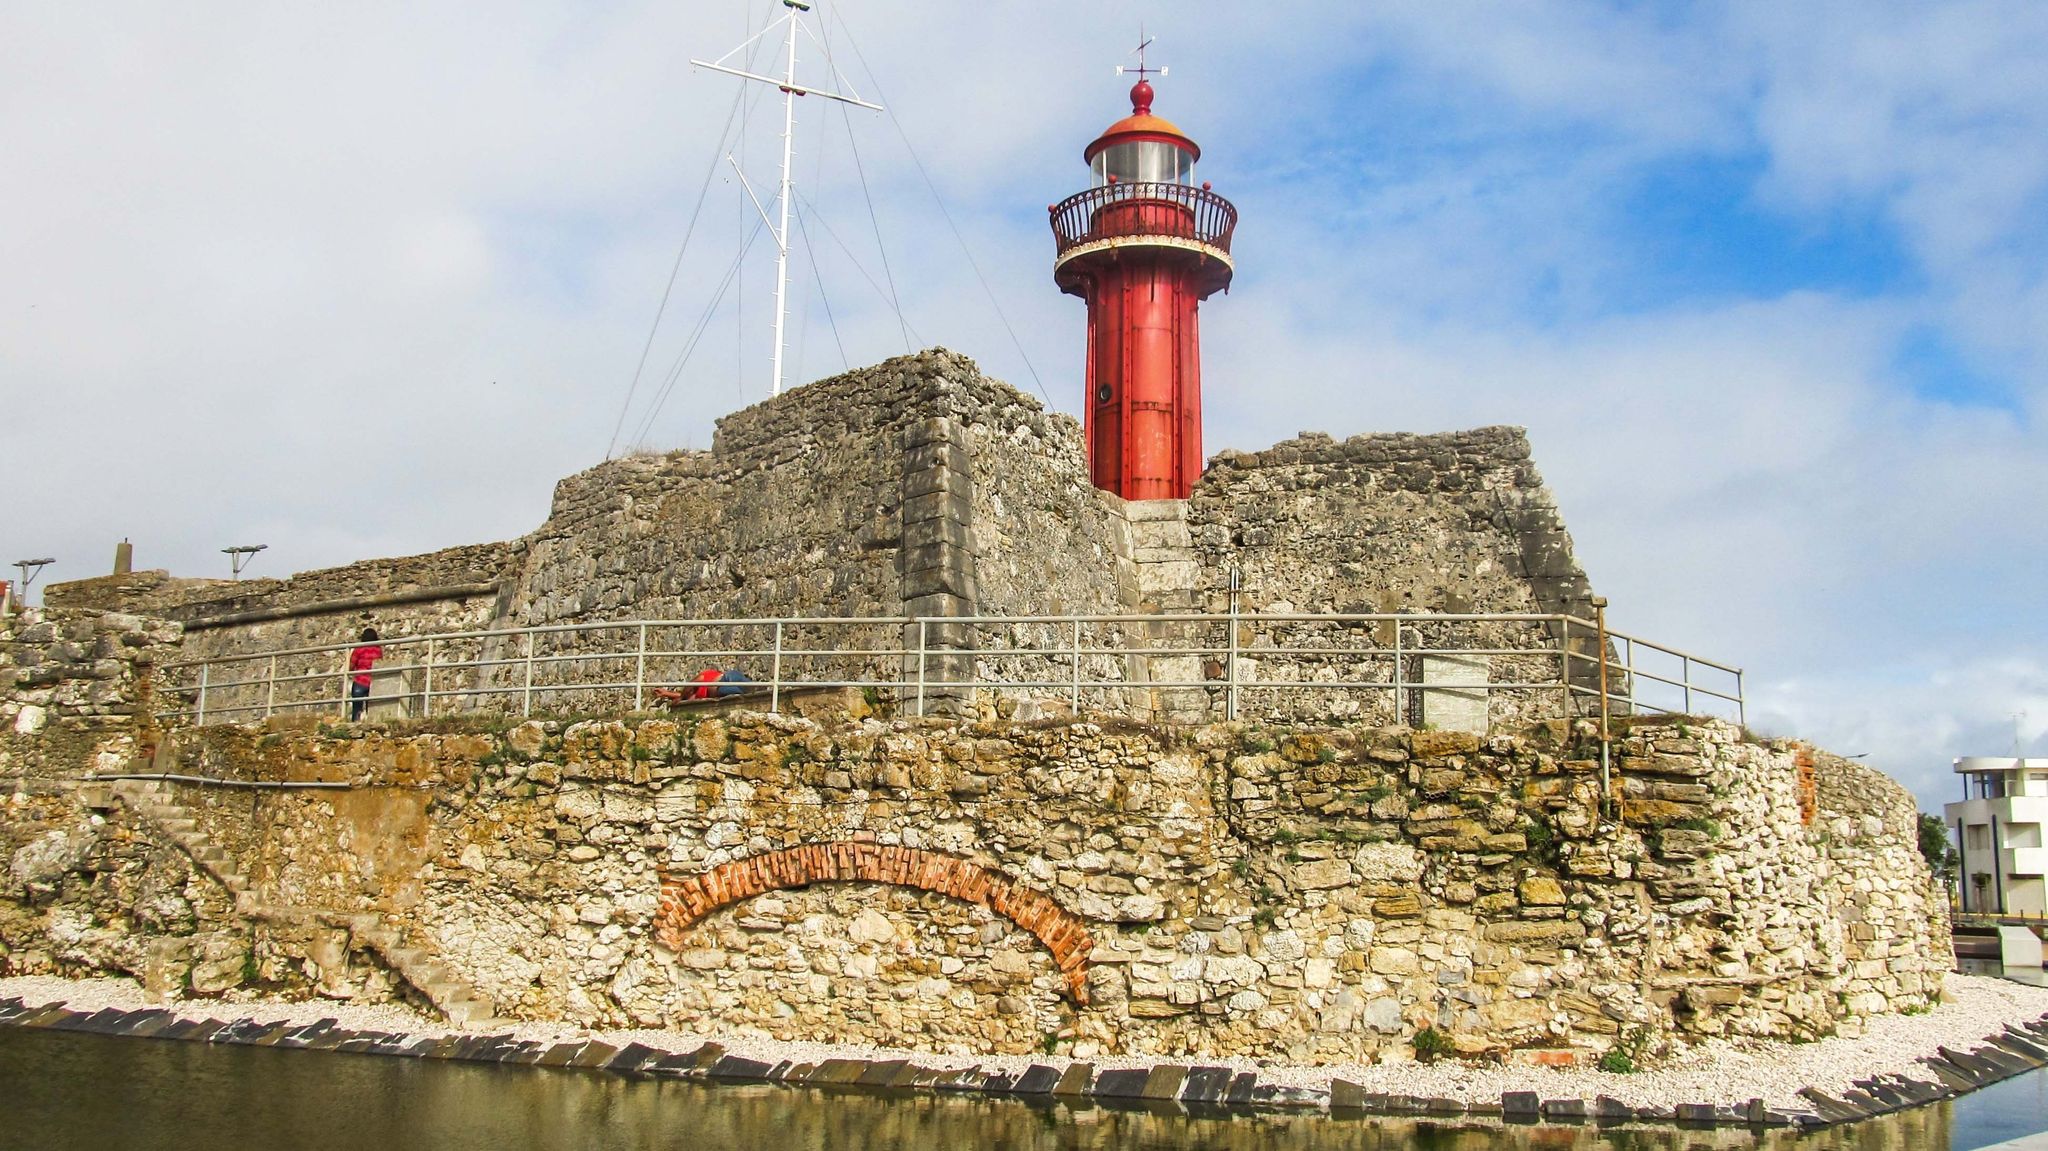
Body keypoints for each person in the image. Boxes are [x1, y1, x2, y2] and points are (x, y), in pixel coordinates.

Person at [349, 627, 382, 720]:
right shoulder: (378, 650)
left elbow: (351, 666)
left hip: (360, 680)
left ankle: (355, 723)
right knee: (371, 708)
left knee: (357, 708)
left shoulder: (359, 649)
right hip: (373, 681)